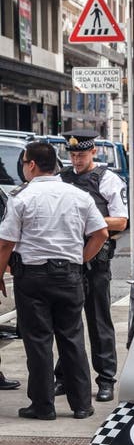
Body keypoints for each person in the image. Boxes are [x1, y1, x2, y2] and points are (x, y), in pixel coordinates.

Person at [0, 141, 108, 419]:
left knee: (38, 342)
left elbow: (6, 244)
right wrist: (80, 260)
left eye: (24, 163)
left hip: (32, 279)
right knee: (72, 339)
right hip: (70, 276)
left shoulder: (21, 198)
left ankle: (43, 405)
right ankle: (82, 405)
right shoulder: (78, 196)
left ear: (32, 165)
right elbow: (101, 234)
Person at [55, 129, 128, 402]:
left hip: (96, 261)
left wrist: (87, 218)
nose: (76, 160)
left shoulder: (107, 179)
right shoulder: (61, 179)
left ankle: (106, 379)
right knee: (65, 321)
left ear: (93, 152)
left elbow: (121, 221)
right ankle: (63, 376)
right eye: (73, 155)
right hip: (67, 258)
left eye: (81, 155)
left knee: (98, 321)